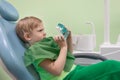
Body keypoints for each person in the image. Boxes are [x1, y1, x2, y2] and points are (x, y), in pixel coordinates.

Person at [16, 16, 120, 80]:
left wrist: (68, 39)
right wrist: (63, 47)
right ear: (28, 36)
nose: (45, 33)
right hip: (67, 78)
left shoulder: (43, 45)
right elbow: (56, 70)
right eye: (40, 31)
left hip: (74, 71)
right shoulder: (35, 51)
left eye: (44, 30)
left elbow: (68, 56)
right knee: (111, 66)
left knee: (110, 69)